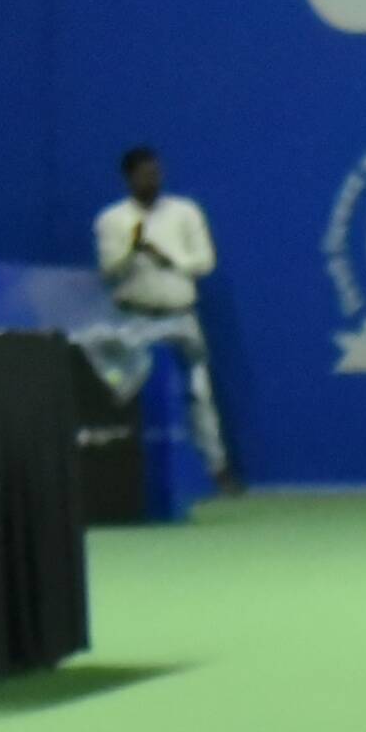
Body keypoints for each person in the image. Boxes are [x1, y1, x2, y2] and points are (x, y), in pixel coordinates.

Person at [92, 146, 230, 484]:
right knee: (130, 391)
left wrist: (167, 258)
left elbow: (205, 261)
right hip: (134, 319)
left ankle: (217, 469)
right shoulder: (112, 220)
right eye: (144, 174)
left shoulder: (185, 213)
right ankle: (133, 476)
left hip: (180, 318)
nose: (152, 179)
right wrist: (132, 251)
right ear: (128, 178)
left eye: (156, 172)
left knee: (198, 392)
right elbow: (108, 272)